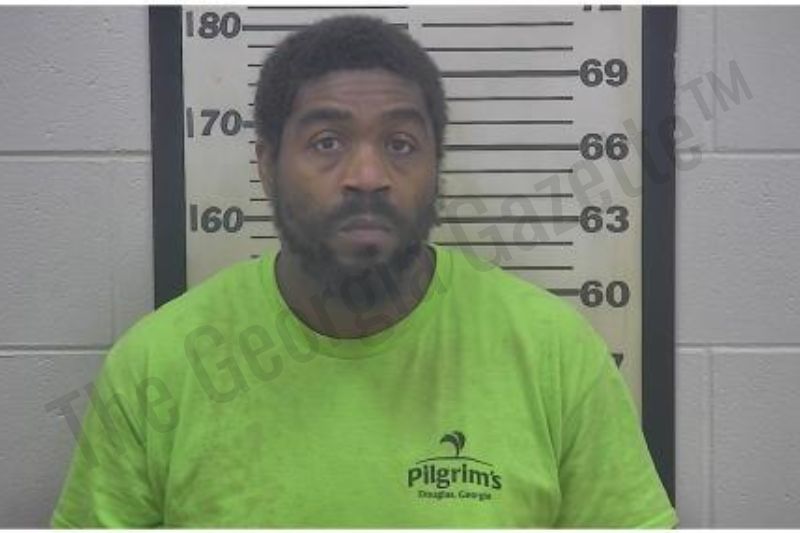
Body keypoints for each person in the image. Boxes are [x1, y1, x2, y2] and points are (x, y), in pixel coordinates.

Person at [51, 15, 677, 528]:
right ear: (266, 164)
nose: (368, 176)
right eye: (327, 142)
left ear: (436, 166)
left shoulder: (555, 357)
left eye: (400, 144)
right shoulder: (157, 368)